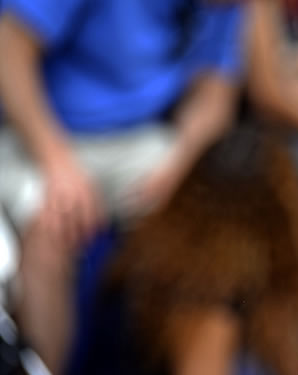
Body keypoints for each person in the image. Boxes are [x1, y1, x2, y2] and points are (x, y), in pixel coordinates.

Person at [0, 1, 243, 373]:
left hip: (141, 136)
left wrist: (179, 162)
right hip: (39, 132)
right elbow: (9, 49)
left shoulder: (229, 6)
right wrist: (56, 161)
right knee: (49, 225)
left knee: (208, 224)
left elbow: (215, 96)